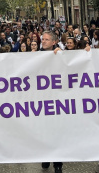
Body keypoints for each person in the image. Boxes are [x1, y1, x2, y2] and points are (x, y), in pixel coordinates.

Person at [39, 31, 63, 173]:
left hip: (57, 100)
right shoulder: (35, 55)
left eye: (47, 39)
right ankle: (46, 156)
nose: (44, 41)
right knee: (45, 132)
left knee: (57, 133)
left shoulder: (61, 54)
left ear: (54, 41)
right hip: (42, 100)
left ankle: (58, 163)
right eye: (43, 39)